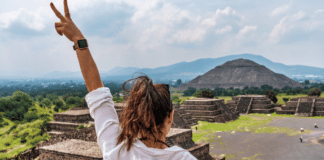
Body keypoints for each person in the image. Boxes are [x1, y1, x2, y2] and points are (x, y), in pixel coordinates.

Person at [50, 1, 197, 159]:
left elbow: (97, 92)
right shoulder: (182, 158)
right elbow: (98, 94)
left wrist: (78, 40)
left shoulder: (116, 149)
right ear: (171, 117)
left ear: (135, 115)